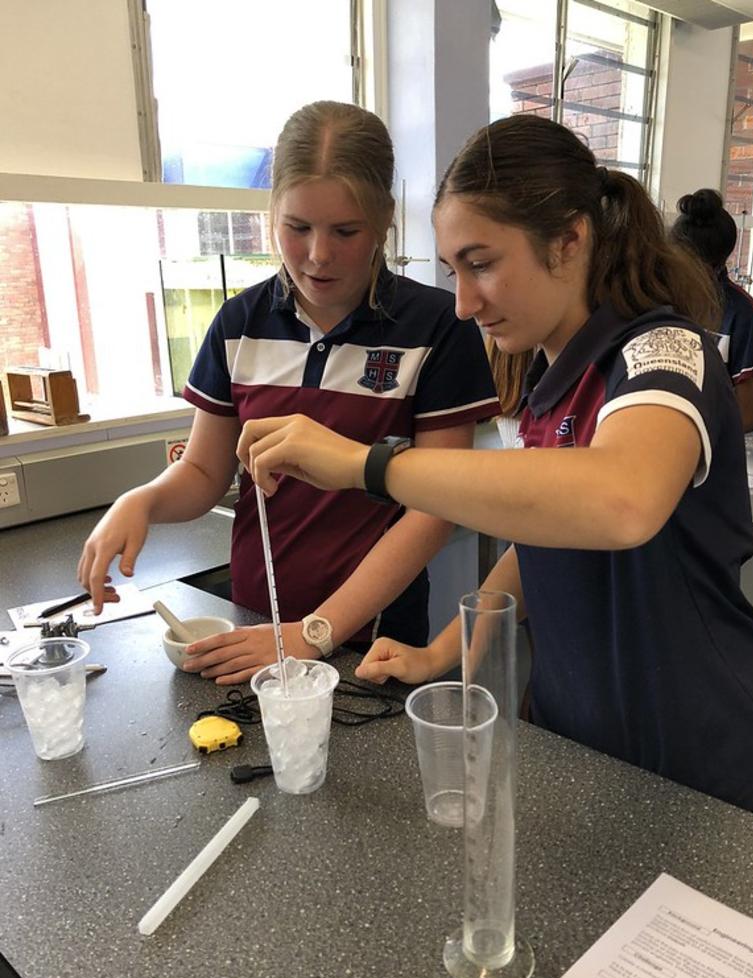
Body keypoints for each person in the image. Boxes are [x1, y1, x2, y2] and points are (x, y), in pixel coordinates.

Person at [238, 114, 753, 814]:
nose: (463, 303)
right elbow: (538, 541)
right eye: (453, 270)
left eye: (482, 264)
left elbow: (621, 501)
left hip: (700, 754)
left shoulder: (665, 353)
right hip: (576, 741)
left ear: (570, 239)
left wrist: (368, 465)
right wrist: (446, 652)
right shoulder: (552, 384)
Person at [77, 100, 500, 684]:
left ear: (384, 220)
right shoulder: (239, 323)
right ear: (271, 212)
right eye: (297, 228)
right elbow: (203, 475)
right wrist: (141, 501)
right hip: (256, 619)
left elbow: (435, 508)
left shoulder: (436, 327)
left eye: (345, 232)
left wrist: (317, 632)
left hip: (371, 637)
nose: (318, 255)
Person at [671, 188, 753, 432]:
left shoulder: (743, 316)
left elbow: (750, 413)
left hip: (705, 450)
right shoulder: (661, 300)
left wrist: (685, 436)